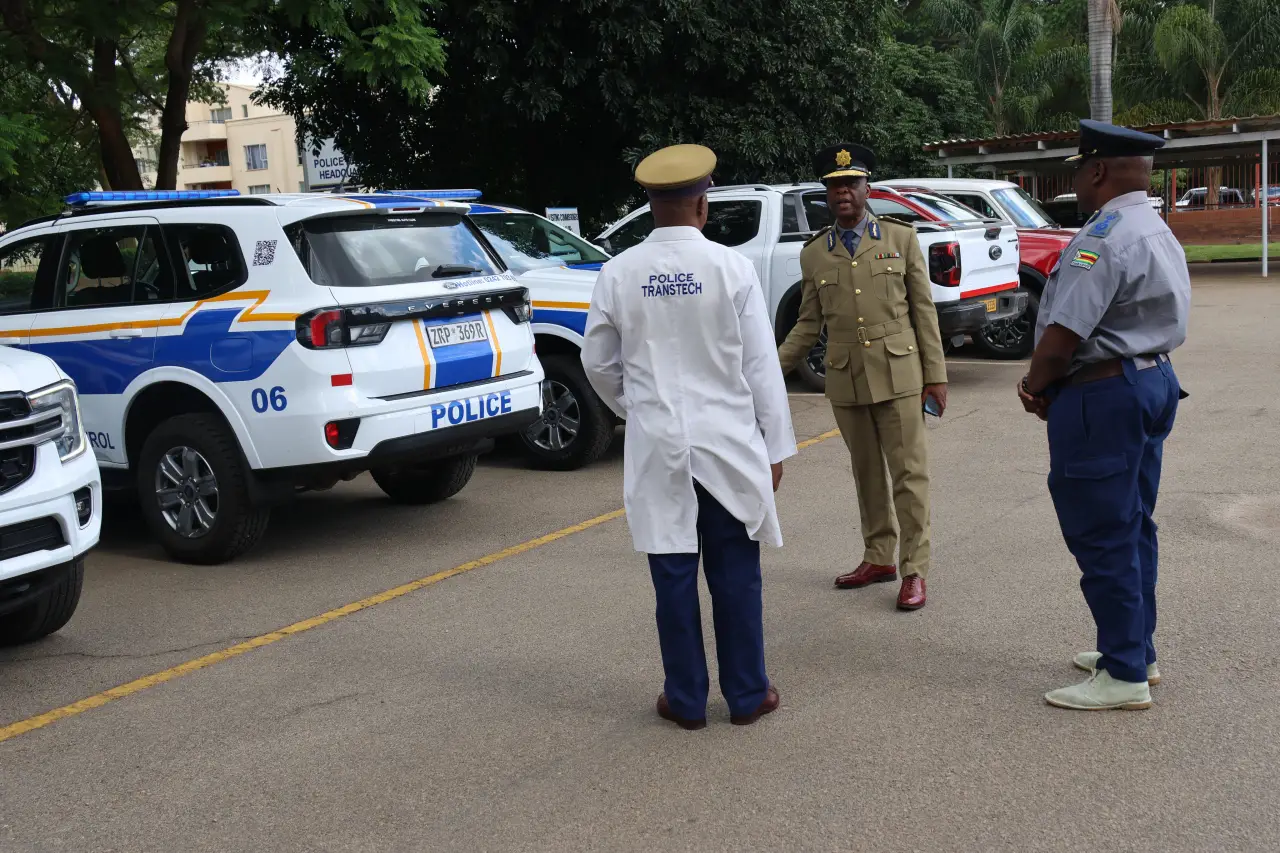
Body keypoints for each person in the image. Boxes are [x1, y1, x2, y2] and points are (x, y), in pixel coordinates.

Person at [580, 143, 798, 729]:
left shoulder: (618, 271)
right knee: (735, 574)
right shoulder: (731, 268)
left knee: (672, 575)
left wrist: (638, 407)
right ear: (703, 204)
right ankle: (748, 695)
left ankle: (686, 699)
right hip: (726, 444)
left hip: (658, 446)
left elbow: (597, 364)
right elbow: (761, 368)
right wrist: (775, 448)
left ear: (651, 205)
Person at [1018, 119, 1190, 711]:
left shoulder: (1105, 237)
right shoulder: (1152, 225)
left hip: (1103, 394)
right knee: (1134, 521)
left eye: (1078, 171)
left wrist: (1035, 386)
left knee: (1103, 532)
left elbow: (1063, 337)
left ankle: (1124, 674)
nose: (1078, 183)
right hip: (1151, 380)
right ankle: (1135, 650)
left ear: (1096, 171)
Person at [777, 143, 947, 611]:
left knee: (909, 474)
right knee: (866, 473)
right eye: (834, 187)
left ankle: (914, 570)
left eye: (850, 183)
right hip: (846, 378)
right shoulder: (815, 254)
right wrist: (770, 371)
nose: (843, 193)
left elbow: (923, 311)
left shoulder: (900, 238)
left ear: (866, 187)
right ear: (825, 195)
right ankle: (879, 557)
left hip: (900, 372)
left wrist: (936, 376)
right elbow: (808, 324)